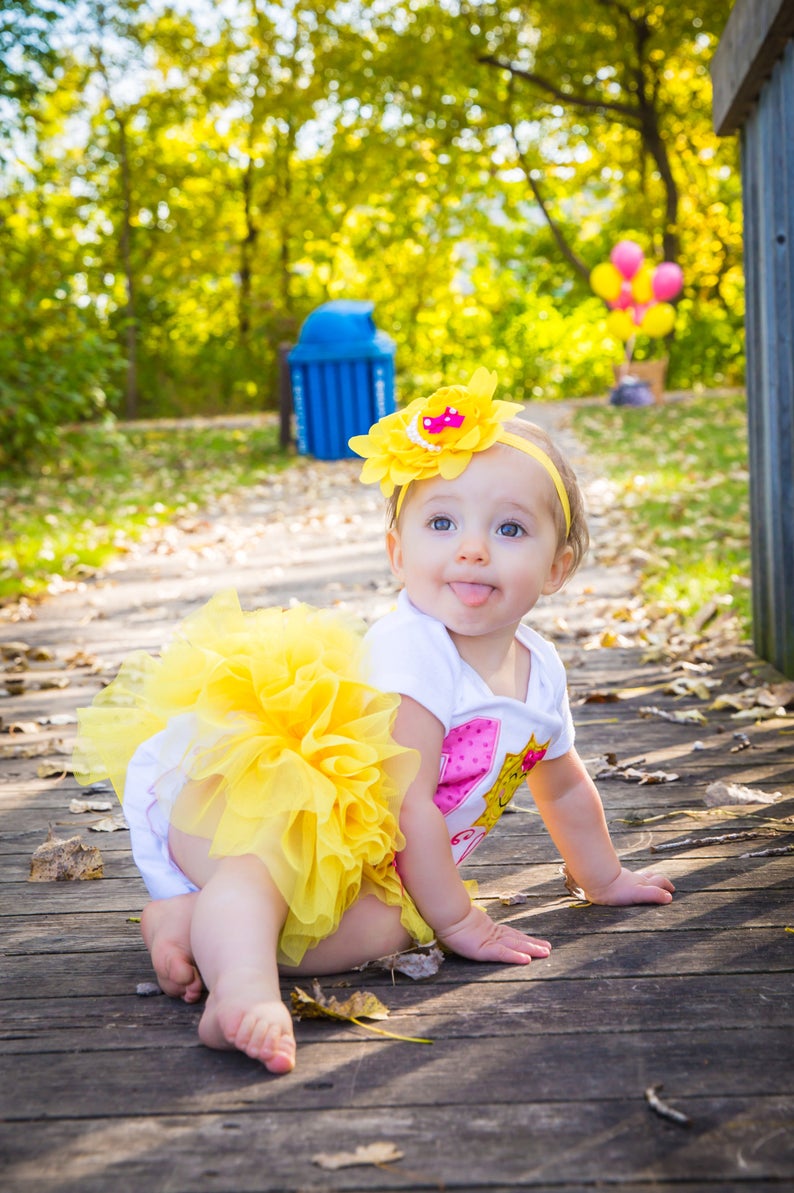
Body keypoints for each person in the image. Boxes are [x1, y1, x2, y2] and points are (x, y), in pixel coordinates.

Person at [73, 366, 674, 1076]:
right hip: (282, 800)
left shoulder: (539, 666)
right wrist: (459, 922)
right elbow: (407, 800)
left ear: (558, 566)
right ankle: (241, 991)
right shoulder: (415, 650)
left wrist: (601, 877)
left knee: (375, 933)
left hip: (379, 861)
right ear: (397, 551)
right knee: (269, 868)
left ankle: (192, 923)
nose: (472, 547)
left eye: (509, 527)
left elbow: (563, 784)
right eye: (442, 522)